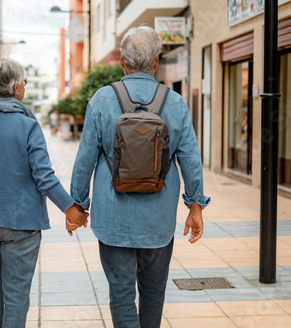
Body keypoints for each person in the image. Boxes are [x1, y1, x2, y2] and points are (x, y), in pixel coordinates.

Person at [69, 26, 210, 328]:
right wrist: (195, 206)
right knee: (154, 293)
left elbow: (84, 161)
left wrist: (78, 206)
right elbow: (191, 160)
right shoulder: (175, 103)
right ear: (156, 61)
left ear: (121, 61)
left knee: (120, 294)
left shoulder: (102, 100)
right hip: (158, 222)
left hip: (112, 220)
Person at [0, 58, 88, 328]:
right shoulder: (28, 126)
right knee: (16, 295)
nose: (23, 86)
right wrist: (72, 210)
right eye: (23, 82)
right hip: (22, 225)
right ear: (15, 88)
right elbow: (43, 175)